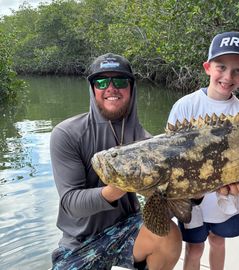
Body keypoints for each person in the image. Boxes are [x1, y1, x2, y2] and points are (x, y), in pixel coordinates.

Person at [50, 53, 182, 270]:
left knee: (167, 233)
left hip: (127, 228)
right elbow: (70, 203)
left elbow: (168, 197)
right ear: (93, 89)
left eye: (120, 81)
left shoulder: (146, 141)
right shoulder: (66, 134)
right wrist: (120, 186)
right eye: (102, 82)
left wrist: (196, 193)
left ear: (131, 87)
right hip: (78, 243)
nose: (111, 88)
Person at [167, 31, 239, 270]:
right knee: (194, 248)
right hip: (191, 196)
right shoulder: (185, 106)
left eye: (237, 70)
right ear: (207, 67)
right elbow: (169, 153)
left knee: (218, 242)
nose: (228, 76)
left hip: (226, 196)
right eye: (221, 67)